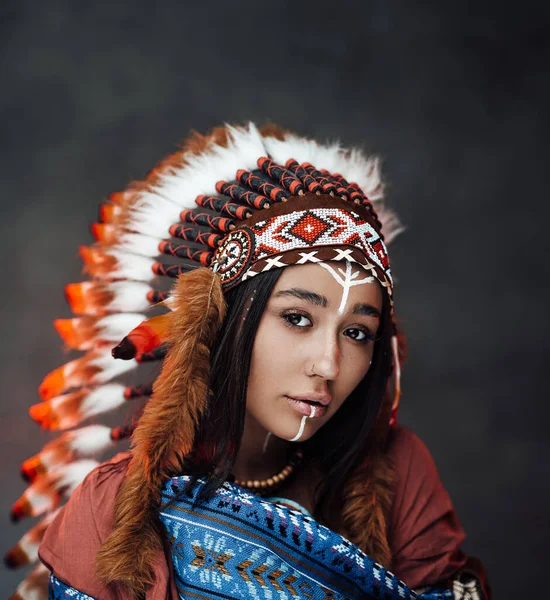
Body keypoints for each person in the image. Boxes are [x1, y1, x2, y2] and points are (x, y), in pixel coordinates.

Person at [7, 123, 490, 599]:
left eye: (357, 332)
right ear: (224, 322)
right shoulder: (114, 511)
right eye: (298, 318)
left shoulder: (397, 473)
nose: (329, 364)